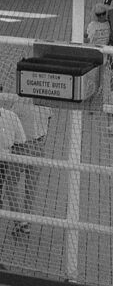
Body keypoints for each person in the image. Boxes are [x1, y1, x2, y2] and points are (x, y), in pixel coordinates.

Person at [3, 91, 52, 237]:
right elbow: (50, 118)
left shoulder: (20, 103)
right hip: (39, 145)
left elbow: (11, 121)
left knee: (11, 183)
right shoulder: (46, 100)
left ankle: (19, 220)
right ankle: (28, 220)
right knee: (31, 187)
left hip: (21, 146)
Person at [0, 96, 27, 237]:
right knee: (11, 189)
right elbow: (20, 141)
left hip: (5, 158)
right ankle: (19, 222)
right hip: (7, 158)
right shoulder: (11, 116)